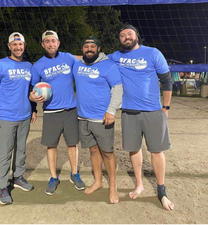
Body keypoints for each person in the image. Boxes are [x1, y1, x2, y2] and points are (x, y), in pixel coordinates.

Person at [108, 24, 174, 211]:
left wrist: (166, 108)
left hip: (153, 111)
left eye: (129, 33)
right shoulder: (116, 56)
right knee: (134, 150)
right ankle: (139, 184)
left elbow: (167, 80)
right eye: (122, 35)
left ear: (137, 35)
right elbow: (93, 57)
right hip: (129, 112)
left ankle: (161, 190)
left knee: (156, 151)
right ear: (120, 40)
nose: (126, 37)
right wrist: (67, 58)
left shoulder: (153, 53)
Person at [29, 30, 85, 195]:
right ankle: (53, 177)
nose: (51, 44)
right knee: (51, 146)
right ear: (43, 44)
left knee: (72, 144)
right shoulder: (38, 65)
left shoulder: (68, 58)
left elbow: (84, 58)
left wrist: (100, 56)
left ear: (58, 43)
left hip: (70, 110)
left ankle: (74, 174)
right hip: (51, 112)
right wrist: (32, 99)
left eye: (53, 41)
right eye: (47, 41)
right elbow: (31, 90)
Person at [0, 32, 36, 205]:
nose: (18, 47)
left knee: (21, 150)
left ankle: (18, 177)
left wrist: (34, 109)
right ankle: (2, 186)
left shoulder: (29, 66)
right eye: (14, 45)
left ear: (24, 45)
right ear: (9, 47)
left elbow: (31, 91)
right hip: (6, 116)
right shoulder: (0, 65)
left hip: (25, 116)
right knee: (4, 153)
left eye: (20, 44)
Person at [73, 36, 123, 204]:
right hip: (83, 117)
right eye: (86, 46)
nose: (89, 49)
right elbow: (65, 57)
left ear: (98, 48)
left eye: (92, 46)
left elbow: (117, 88)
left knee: (107, 153)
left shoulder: (108, 65)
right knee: (93, 151)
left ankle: (113, 187)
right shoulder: (78, 65)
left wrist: (111, 111)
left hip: (102, 117)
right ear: (82, 49)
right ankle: (98, 182)